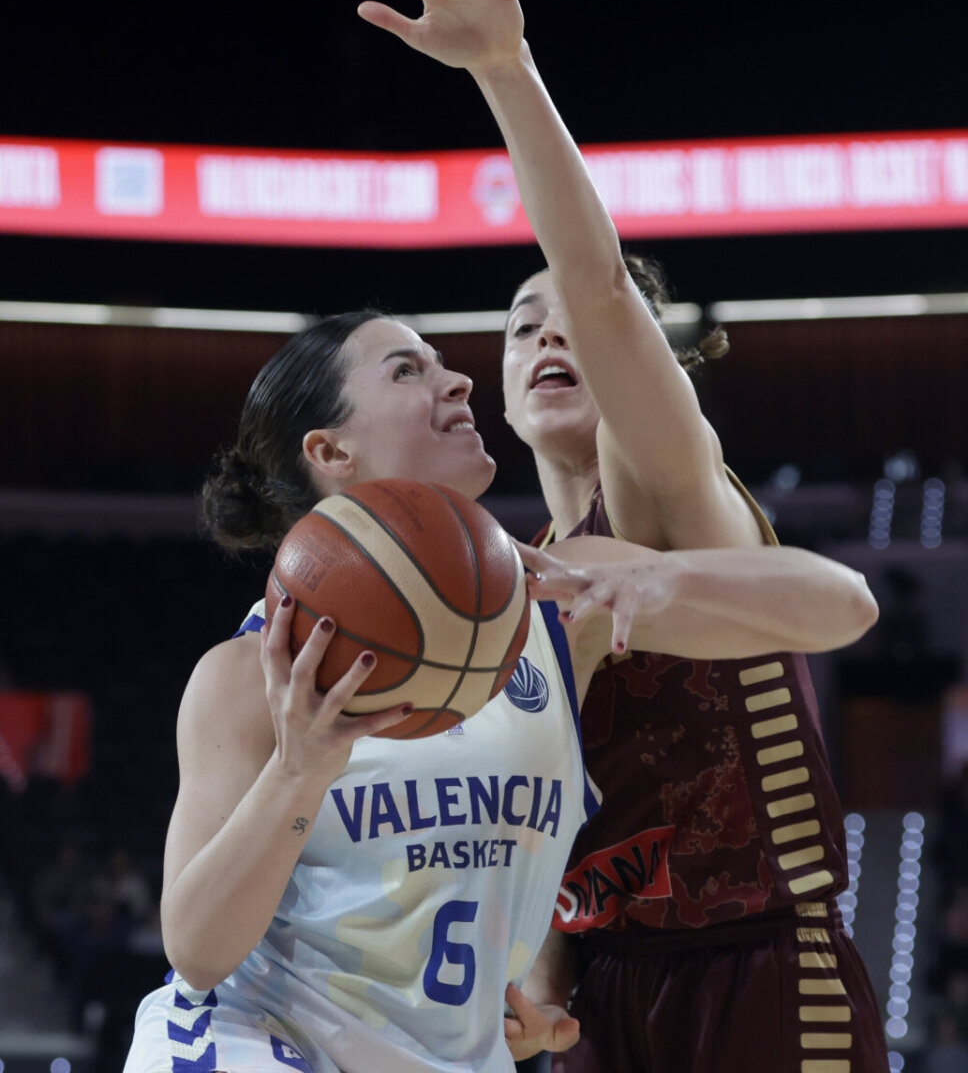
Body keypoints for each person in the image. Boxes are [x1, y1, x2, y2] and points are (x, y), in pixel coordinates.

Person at [365, 0, 891, 1072]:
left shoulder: (659, 491)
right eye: (515, 327)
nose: (547, 335)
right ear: (494, 393)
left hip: (756, 974)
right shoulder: (504, 577)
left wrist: (504, 70)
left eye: (568, 325)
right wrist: (532, 986)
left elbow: (598, 287)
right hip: (603, 994)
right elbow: (550, 827)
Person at [122, 295, 878, 1069]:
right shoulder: (251, 673)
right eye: (408, 370)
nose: (459, 383)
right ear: (333, 450)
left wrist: (669, 575)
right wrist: (296, 773)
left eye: (446, 364)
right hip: (256, 1047)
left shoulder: (553, 597)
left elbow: (842, 606)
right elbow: (199, 954)